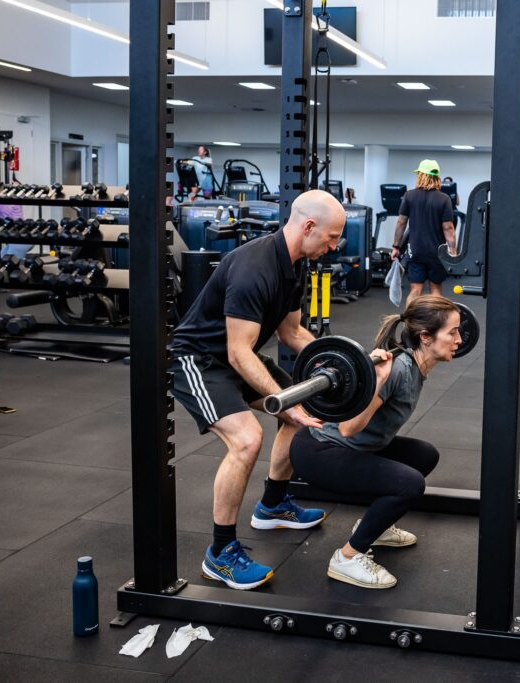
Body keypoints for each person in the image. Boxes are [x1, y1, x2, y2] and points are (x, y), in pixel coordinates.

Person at [168, 189, 345, 590]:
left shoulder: (296, 265)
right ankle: (221, 553)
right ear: (309, 226)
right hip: (198, 359)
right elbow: (236, 351)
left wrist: (343, 358)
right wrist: (284, 402)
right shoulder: (254, 267)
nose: (334, 246)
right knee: (247, 439)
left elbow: (291, 332)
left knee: (303, 415)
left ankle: (273, 504)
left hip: (238, 355)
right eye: (331, 236)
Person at [289, 295, 461, 588]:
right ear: (426, 337)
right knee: (409, 484)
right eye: (453, 332)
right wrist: (378, 382)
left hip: (349, 446)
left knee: (424, 456)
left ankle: (377, 527)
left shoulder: (417, 366)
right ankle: (347, 557)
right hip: (320, 451)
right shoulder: (397, 369)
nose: (459, 338)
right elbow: (347, 428)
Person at [390, 160, 458, 307]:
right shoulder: (444, 198)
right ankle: (435, 326)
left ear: (420, 175)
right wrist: (452, 250)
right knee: (436, 292)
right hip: (437, 252)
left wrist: (395, 246)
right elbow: (448, 228)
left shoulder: (409, 196)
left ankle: (410, 325)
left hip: (415, 250)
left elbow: (401, 222)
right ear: (437, 177)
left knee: (415, 290)